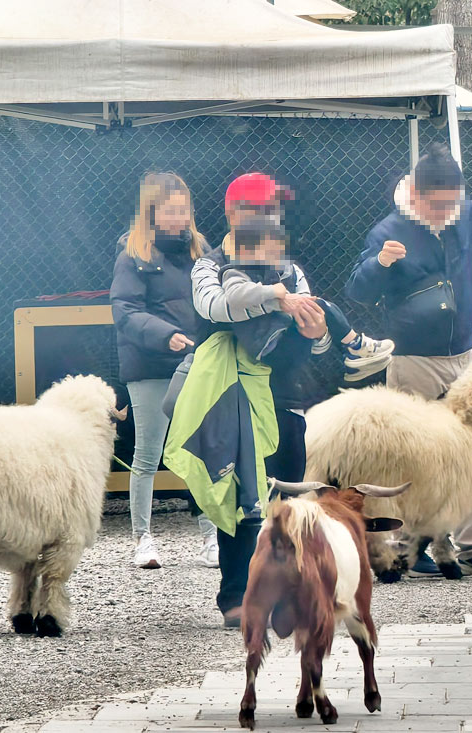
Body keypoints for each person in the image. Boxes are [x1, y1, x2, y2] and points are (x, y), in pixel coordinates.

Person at [346, 144, 472, 578]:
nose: (444, 212)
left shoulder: (464, 215)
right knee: (412, 454)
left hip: (465, 354)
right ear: (414, 194)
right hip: (413, 357)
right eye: (436, 204)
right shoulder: (388, 231)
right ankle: (408, 548)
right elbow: (357, 290)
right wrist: (380, 263)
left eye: (451, 203)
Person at [190, 172, 331, 627]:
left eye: (274, 208)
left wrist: (319, 333)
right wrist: (276, 299)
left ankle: (286, 596)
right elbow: (214, 307)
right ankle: (237, 595)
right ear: (234, 213)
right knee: (239, 499)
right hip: (232, 399)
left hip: (285, 393)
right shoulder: (208, 265)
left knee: (287, 500)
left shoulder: (289, 268)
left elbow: (315, 336)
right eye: (261, 208)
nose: (271, 216)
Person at [110, 172, 219, 570]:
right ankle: (143, 539)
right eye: (170, 211)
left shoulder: (201, 251)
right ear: (151, 212)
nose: (179, 218)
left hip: (196, 363)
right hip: (150, 366)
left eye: (183, 210)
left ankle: (212, 536)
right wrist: (165, 335)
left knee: (202, 451)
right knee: (148, 454)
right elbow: (125, 310)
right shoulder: (133, 253)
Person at [219, 216, 393, 377]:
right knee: (316, 306)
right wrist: (273, 292)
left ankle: (354, 352)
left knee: (317, 305)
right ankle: (355, 346)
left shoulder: (275, 269)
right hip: (266, 344)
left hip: (279, 336)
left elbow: (295, 299)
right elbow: (235, 296)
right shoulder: (234, 271)